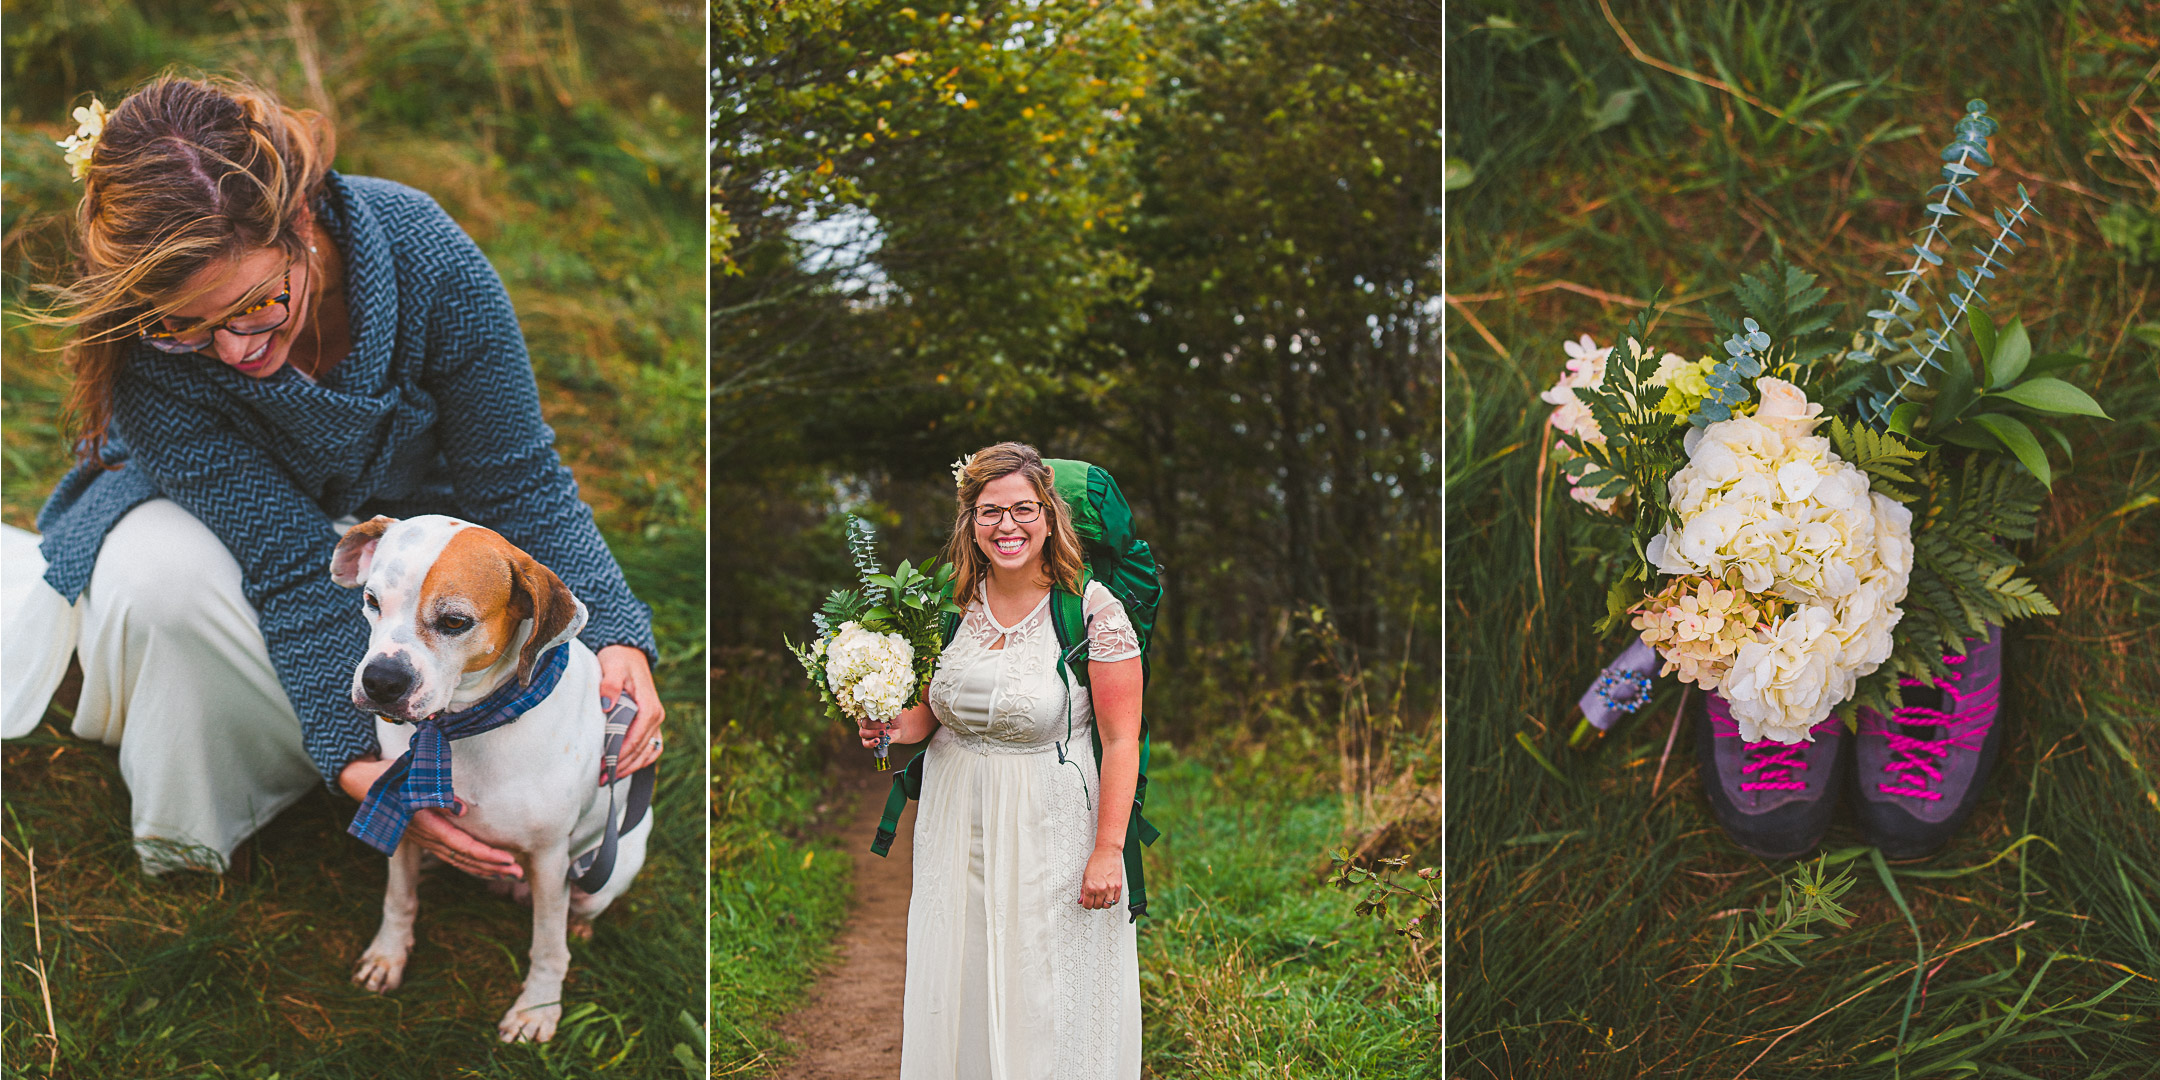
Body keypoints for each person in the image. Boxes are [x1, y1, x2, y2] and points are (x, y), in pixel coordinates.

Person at [0, 74, 667, 877]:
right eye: (188, 325)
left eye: (257, 305)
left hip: (409, 554)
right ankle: (211, 817)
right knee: (160, 584)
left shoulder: (429, 258)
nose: (235, 352)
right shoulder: (146, 354)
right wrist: (358, 765)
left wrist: (621, 635)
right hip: (221, 540)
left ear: (303, 222)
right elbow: (286, 564)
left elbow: (517, 481)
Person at [857, 442, 1145, 1078]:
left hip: (1053, 819)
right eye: (990, 511)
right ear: (971, 521)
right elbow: (937, 711)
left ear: (1048, 515)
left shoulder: (1092, 611)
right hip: (956, 820)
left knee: (1042, 982)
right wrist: (889, 725)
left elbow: (1122, 740)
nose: (1007, 526)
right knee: (963, 969)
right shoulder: (952, 605)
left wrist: (1108, 850)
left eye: (1022, 509)